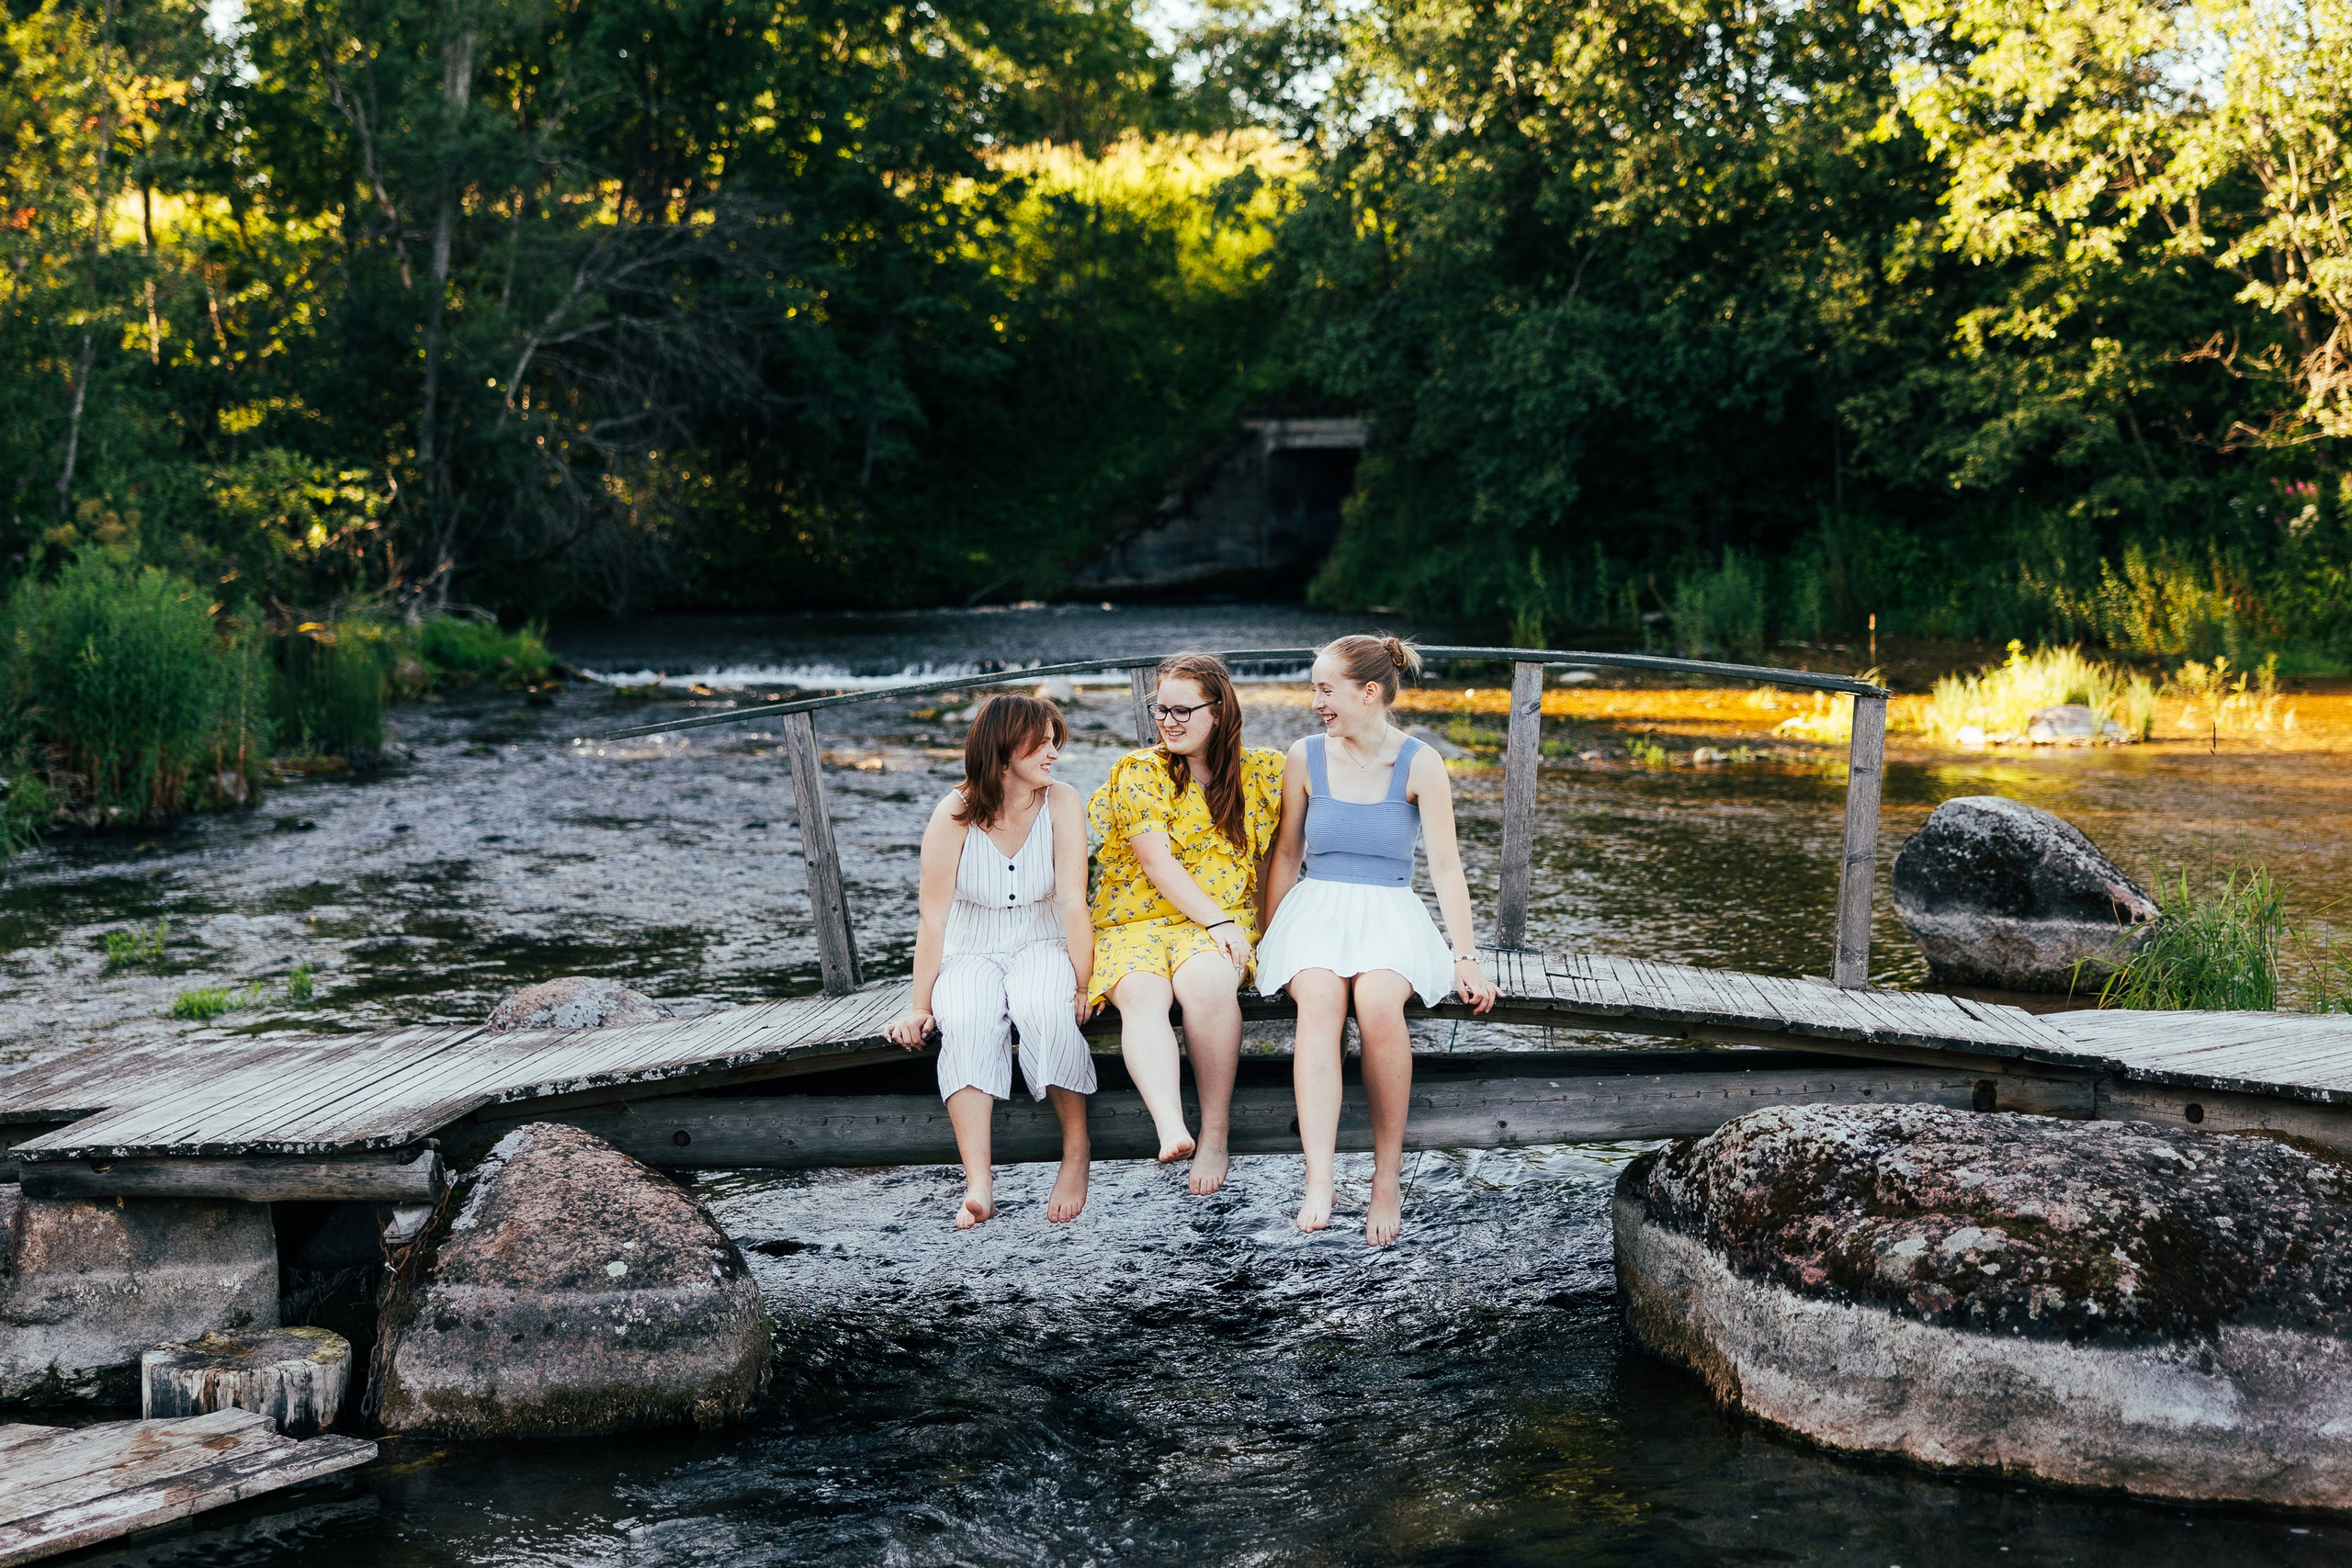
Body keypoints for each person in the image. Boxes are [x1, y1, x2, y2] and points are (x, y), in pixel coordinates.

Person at [1256, 635, 1498, 1247]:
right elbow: (1286, 853)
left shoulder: (1420, 763)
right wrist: (1269, 937)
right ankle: (1320, 1177)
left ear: (1368, 693)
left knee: (1378, 1005)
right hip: (1317, 908)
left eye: (1325, 689)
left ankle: (1385, 1176)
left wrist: (1465, 956)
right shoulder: (1303, 756)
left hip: (1390, 910)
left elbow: (1446, 868)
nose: (1315, 701)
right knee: (1320, 1002)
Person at [884, 694, 1096, 1229]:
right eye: (1041, 742)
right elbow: (932, 919)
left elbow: (1074, 900)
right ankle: (979, 1182)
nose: (1053, 752)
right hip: (970, 948)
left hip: (1042, 939)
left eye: (1055, 740)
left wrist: (1082, 983)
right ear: (1004, 750)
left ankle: (1076, 1151)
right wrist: (917, 1005)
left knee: (1044, 1008)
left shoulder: (1062, 801)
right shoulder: (953, 813)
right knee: (967, 1020)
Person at [1087, 652, 1284, 1194]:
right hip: (1136, 919)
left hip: (1220, 925)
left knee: (1206, 984)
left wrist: (1260, 932)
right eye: (1160, 710)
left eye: (1182, 710)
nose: (1168, 722)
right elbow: (1156, 860)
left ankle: (1215, 1134)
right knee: (1142, 994)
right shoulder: (1140, 771)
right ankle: (1171, 1126)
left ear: (1218, 712)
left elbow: (1268, 863)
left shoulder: (1264, 772)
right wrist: (1219, 922)